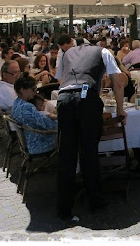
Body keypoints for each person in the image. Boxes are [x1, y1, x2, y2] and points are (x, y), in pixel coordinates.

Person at [54, 34, 127, 221]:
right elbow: (118, 81)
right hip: (87, 99)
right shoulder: (103, 51)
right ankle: (95, 200)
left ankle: (64, 207)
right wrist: (120, 109)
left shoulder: (66, 53)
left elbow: (61, 81)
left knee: (67, 153)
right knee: (89, 152)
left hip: (64, 98)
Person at [11, 75, 58, 154]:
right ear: (23, 90)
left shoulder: (17, 103)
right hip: (37, 144)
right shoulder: (26, 107)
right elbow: (50, 126)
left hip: (27, 141)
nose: (36, 93)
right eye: (33, 90)